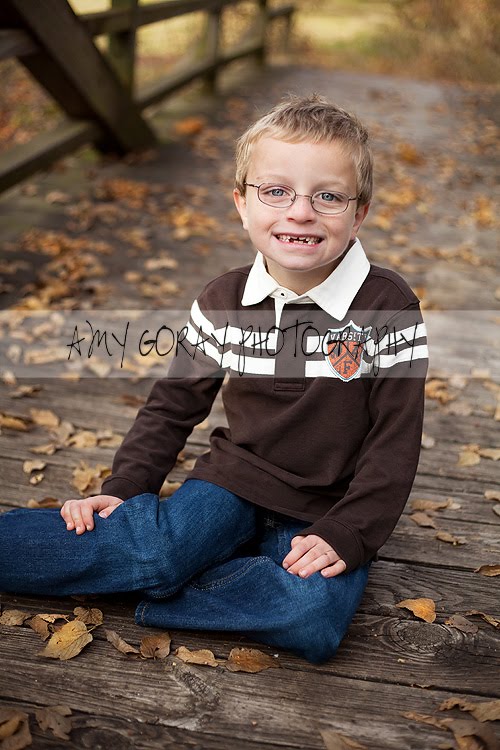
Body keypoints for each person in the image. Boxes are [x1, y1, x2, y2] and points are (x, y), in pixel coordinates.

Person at [0, 94, 428, 664]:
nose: (300, 212)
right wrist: (125, 488)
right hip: (233, 480)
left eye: (327, 196)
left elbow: (394, 443)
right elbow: (173, 405)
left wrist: (350, 531)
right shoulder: (225, 299)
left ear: (359, 213)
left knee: (312, 616)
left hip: (325, 507)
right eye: (275, 191)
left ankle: (152, 585)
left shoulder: (388, 307)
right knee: (156, 549)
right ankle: (147, 564)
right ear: (242, 204)